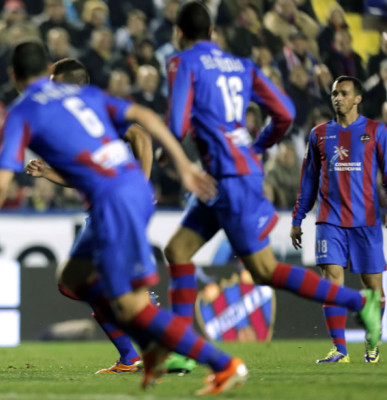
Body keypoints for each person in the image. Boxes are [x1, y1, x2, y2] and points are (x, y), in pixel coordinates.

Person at [0, 40, 247, 395]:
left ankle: (221, 363)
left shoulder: (22, 111)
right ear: (48, 70)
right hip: (126, 190)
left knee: (128, 303)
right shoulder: (84, 96)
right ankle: (143, 344)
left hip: (113, 199)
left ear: (13, 75)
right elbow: (144, 117)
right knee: (72, 277)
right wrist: (184, 165)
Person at [162, 0, 381, 376]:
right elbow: (284, 112)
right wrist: (258, 145)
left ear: (178, 33)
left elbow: (178, 126)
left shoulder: (183, 63)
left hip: (229, 180)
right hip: (228, 176)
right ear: (213, 32)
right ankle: (182, 351)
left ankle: (357, 302)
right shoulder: (242, 65)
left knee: (264, 271)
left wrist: (162, 147)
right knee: (178, 250)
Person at [291, 76, 387, 364]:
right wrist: (297, 219)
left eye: (344, 93)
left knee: (373, 287)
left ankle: (372, 341)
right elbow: (308, 180)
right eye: (334, 93)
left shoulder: (376, 131)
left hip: (367, 221)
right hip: (329, 220)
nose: (337, 98)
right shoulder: (319, 134)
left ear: (357, 98)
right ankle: (340, 350)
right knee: (332, 281)